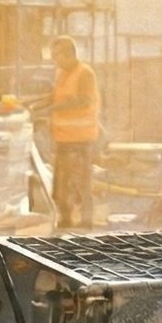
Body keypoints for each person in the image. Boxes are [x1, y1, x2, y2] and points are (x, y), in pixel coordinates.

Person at [43, 34, 101, 230]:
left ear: (69, 54)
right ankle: (66, 219)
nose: (54, 60)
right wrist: (34, 104)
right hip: (63, 139)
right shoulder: (63, 74)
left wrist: (53, 109)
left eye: (56, 55)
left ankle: (86, 221)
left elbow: (84, 101)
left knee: (81, 182)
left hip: (81, 139)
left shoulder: (84, 73)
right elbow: (54, 97)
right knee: (60, 185)